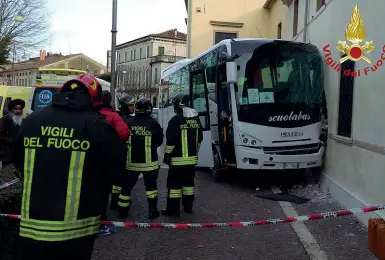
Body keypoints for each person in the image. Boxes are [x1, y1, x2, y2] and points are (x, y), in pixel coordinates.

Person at [13, 74, 127, 260]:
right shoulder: (96, 125)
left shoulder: (32, 121)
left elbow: (17, 159)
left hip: (32, 227)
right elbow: (117, 170)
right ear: (94, 98)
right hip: (77, 231)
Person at [117, 97, 163, 220]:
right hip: (149, 164)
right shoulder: (154, 124)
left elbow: (121, 139)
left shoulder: (128, 123)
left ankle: (122, 212)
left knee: (126, 189)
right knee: (151, 189)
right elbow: (159, 142)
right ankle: (152, 211)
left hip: (131, 164)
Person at [162, 93, 203, 217]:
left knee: (174, 186)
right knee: (189, 184)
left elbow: (171, 141)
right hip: (191, 160)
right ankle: (188, 207)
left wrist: (167, 155)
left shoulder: (176, 120)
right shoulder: (196, 119)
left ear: (179, 105)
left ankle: (173, 210)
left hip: (178, 161)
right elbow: (199, 138)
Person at [97, 90, 130, 217]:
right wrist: (114, 144)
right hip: (108, 157)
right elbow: (124, 132)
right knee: (107, 186)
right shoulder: (114, 116)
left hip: (93, 156)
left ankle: (97, 213)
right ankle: (105, 212)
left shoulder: (92, 114)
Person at [0, 99, 25, 168]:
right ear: (11, 110)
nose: (18, 111)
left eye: (20, 109)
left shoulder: (23, 121)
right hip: (7, 154)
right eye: (15, 109)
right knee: (8, 176)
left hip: (19, 154)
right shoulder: (4, 120)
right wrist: (11, 139)